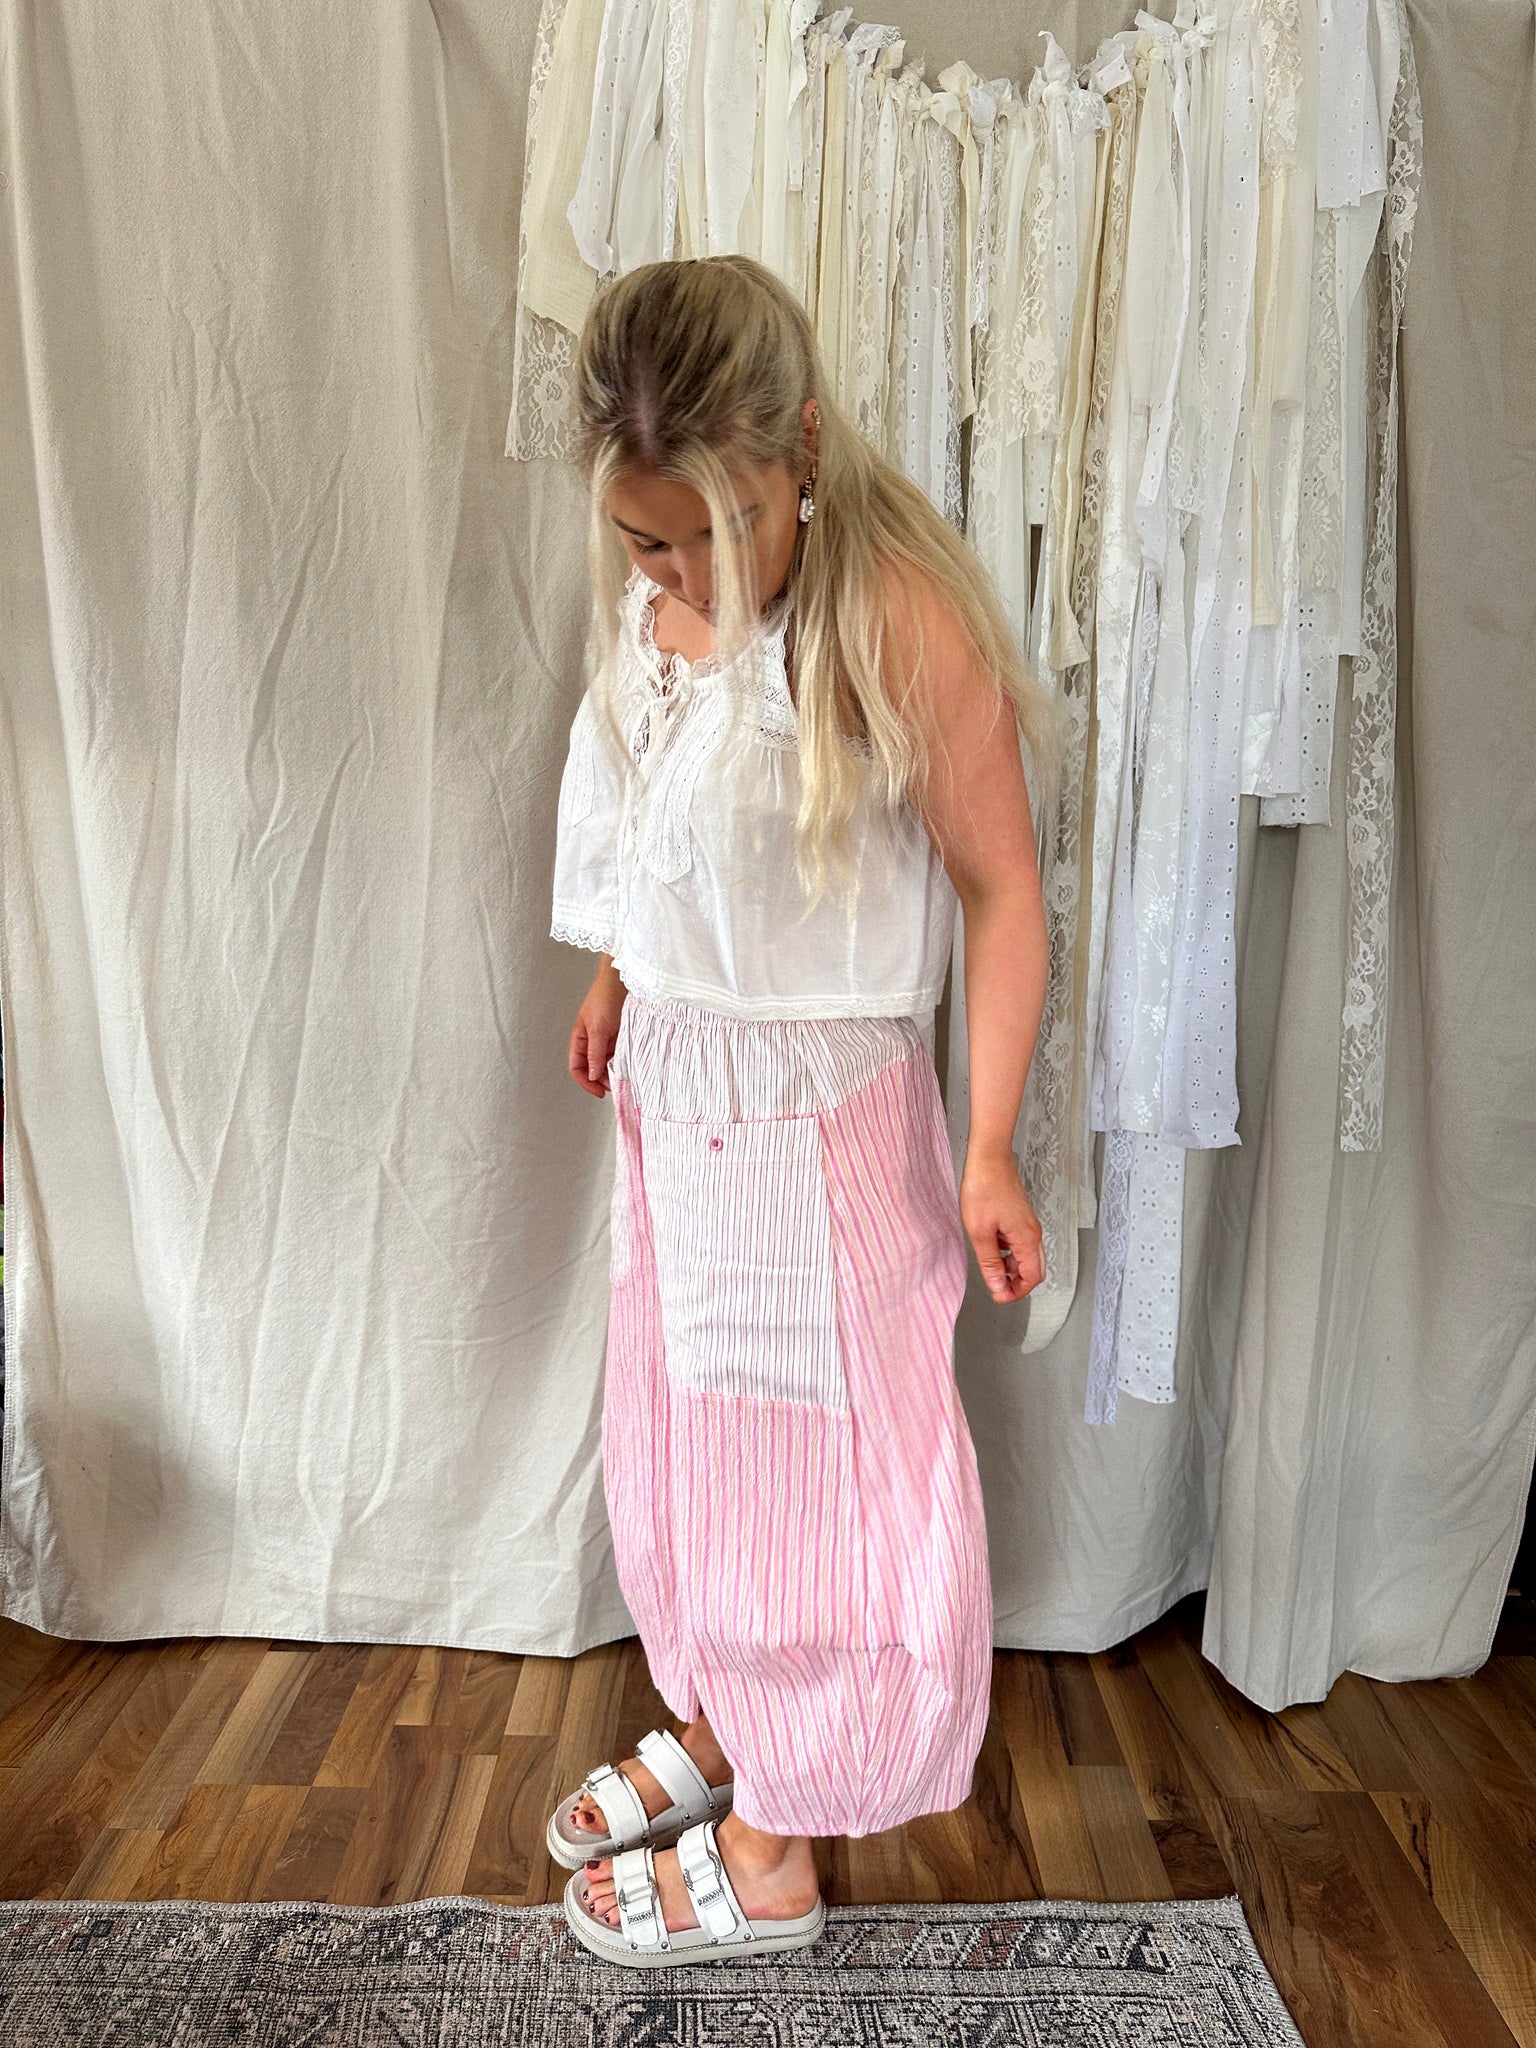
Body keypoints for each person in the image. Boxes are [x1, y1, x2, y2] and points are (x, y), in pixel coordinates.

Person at [545, 254, 1057, 1967]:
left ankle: (775, 1849)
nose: (684, 575)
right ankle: (728, 1722)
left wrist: (987, 1142)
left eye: (719, 530)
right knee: (699, 1451)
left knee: (822, 1486)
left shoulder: (886, 615)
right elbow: (668, 816)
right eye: (649, 543)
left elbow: (1001, 888)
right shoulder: (660, 594)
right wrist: (623, 973)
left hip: (821, 1127)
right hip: (685, 1107)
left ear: (805, 454)